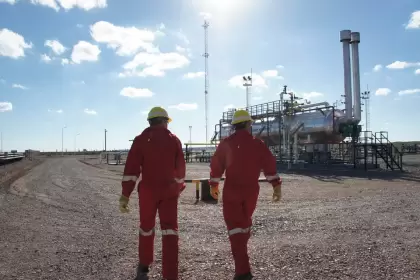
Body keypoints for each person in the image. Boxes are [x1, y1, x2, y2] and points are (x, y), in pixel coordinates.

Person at [208, 109, 282, 280]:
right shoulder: (258, 144)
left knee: (235, 229)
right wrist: (276, 186)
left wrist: (213, 184)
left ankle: (243, 271)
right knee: (244, 224)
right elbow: (269, 165)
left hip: (232, 190)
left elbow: (217, 165)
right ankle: (243, 260)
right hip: (251, 190)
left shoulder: (226, 143)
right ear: (249, 124)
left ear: (234, 126)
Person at [119, 106, 186, 280]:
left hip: (148, 192)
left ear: (150, 122)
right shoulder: (174, 140)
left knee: (146, 228)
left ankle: (143, 267)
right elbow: (180, 171)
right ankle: (170, 275)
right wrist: (178, 188)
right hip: (169, 192)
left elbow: (132, 169)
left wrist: (126, 194)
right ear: (164, 121)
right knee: (170, 231)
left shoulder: (140, 140)